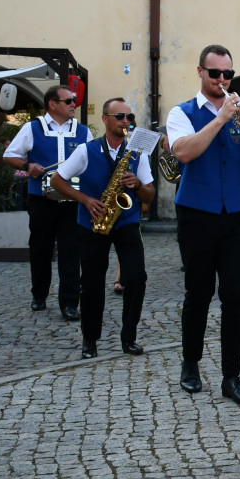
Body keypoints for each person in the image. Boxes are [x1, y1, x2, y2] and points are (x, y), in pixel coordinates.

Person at [166, 44, 240, 405]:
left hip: (238, 214)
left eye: (227, 74)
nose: (222, 80)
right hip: (197, 213)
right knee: (198, 293)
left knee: (236, 297)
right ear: (200, 73)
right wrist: (222, 117)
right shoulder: (182, 112)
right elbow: (184, 152)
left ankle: (231, 375)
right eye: (215, 74)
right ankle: (190, 363)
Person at [50, 98, 153, 359]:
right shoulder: (86, 150)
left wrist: (138, 185)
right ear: (105, 120)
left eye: (130, 118)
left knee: (136, 278)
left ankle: (129, 337)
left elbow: (149, 195)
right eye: (120, 117)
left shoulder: (136, 153)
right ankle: (90, 340)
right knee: (92, 283)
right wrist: (84, 200)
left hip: (126, 222)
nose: (126, 122)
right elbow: (57, 180)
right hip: (92, 223)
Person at [3, 85, 89, 320]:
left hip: (72, 199)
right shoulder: (32, 128)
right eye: (69, 100)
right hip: (42, 200)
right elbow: (10, 154)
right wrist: (27, 166)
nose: (74, 104)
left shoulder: (82, 132)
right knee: (41, 249)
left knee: (71, 250)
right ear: (53, 104)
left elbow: (91, 162)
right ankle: (39, 294)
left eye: (74, 100)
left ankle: (70, 303)